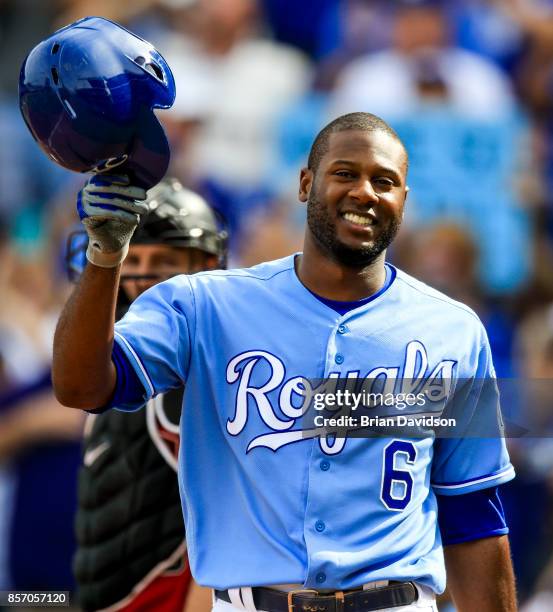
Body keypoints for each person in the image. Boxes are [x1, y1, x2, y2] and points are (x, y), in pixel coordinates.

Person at [53, 113, 517, 612]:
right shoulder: (205, 305)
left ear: (403, 201)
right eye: (344, 173)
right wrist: (105, 255)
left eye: (385, 181)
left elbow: (474, 515)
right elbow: (82, 387)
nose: (365, 192)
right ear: (305, 183)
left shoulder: (453, 331)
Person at [70, 177, 227, 612]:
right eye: (132, 258)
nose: (140, 276)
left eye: (163, 259)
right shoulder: (113, 362)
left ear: (207, 266)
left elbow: (234, 509)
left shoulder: (201, 364)